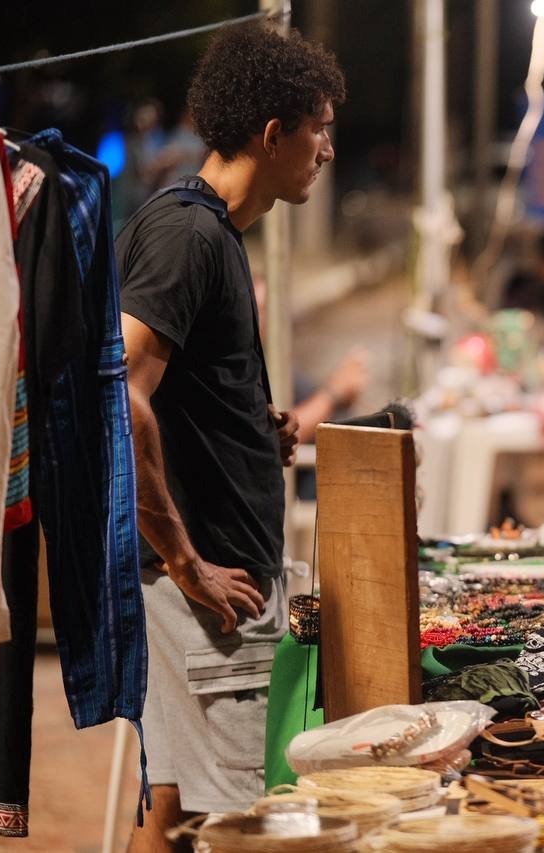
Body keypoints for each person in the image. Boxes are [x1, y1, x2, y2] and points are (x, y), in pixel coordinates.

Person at [115, 23, 344, 849]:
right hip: (211, 587)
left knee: (174, 809)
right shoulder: (187, 235)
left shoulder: (208, 231)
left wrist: (250, 425)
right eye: (317, 128)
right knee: (242, 818)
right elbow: (123, 391)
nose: (326, 149)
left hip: (208, 581)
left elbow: (175, 392)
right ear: (273, 133)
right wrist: (186, 562)